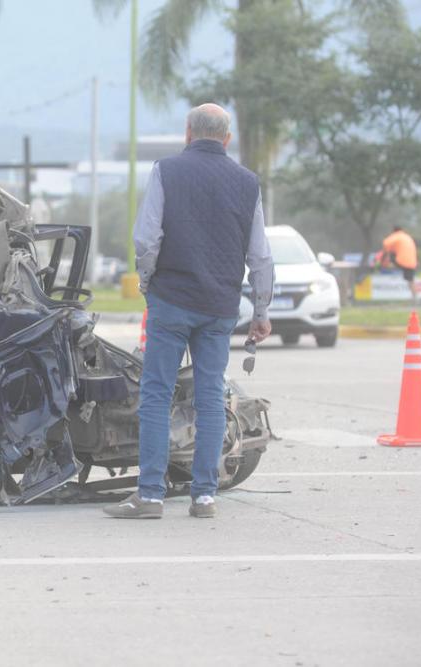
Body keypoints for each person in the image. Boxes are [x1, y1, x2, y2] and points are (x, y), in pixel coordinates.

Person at [104, 103, 275, 520]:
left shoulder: (166, 170)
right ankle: (204, 497)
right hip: (219, 308)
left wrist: (147, 282)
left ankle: (150, 495)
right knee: (211, 397)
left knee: (157, 394)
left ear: (187, 133)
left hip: (171, 300)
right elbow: (261, 256)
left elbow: (146, 239)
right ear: (227, 138)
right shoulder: (247, 182)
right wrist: (262, 310)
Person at [380, 226, 418, 299]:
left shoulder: (396, 236)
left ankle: (388, 265)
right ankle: (415, 296)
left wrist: (382, 259)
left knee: (390, 253)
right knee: (410, 280)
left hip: (402, 261)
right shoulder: (407, 237)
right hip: (412, 262)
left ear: (394, 231)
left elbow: (385, 243)